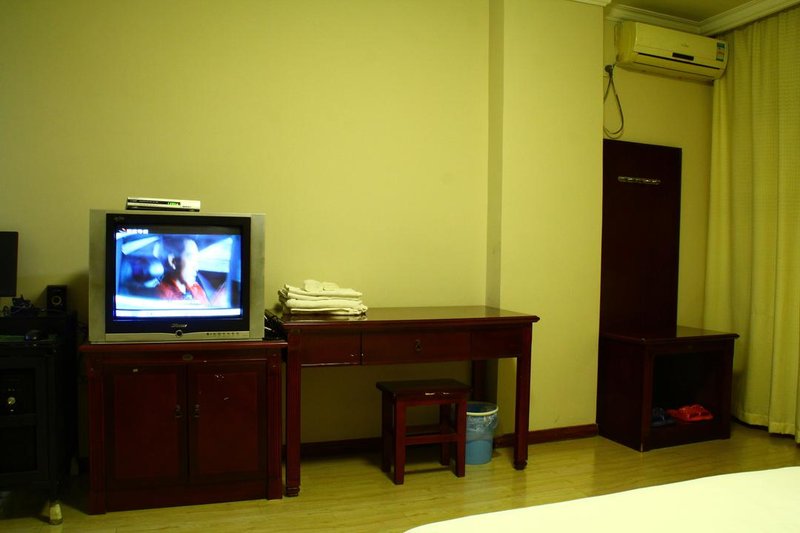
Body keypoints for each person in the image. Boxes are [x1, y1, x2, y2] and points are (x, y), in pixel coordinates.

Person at [156, 237, 209, 303]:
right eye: (191, 258)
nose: (196, 268)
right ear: (173, 261)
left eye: (196, 260)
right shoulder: (161, 295)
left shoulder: (196, 289)